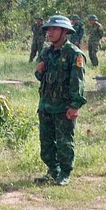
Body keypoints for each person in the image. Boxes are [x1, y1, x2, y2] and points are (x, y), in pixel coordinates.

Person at [35, 15, 86, 186]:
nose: (50, 32)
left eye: (55, 29)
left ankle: (64, 173)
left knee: (64, 143)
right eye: (48, 29)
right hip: (46, 106)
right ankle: (52, 171)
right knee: (46, 143)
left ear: (65, 32)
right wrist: (39, 71)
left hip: (64, 107)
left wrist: (75, 106)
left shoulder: (74, 54)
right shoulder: (46, 52)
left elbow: (78, 82)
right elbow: (40, 77)